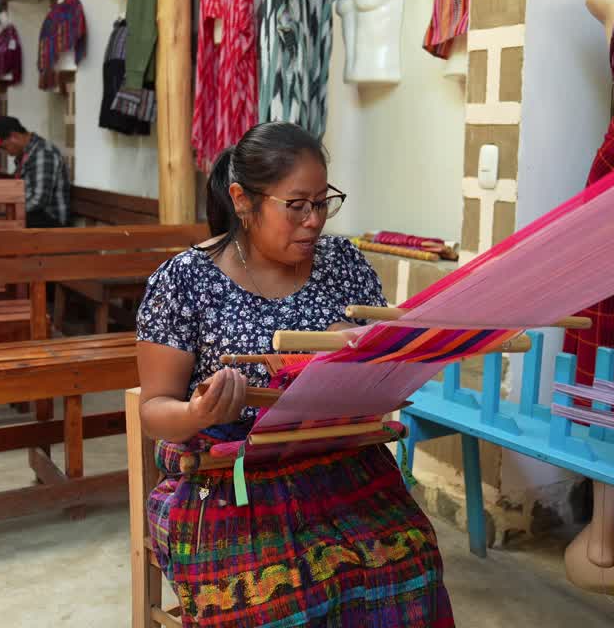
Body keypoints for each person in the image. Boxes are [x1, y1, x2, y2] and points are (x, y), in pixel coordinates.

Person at [135, 121, 454, 627]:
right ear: (243, 200)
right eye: (297, 205)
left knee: (411, 565)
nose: (313, 221)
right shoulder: (184, 281)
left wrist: (356, 357)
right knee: (277, 602)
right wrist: (198, 412)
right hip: (229, 476)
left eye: (323, 203)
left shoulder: (343, 264)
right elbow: (154, 409)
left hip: (338, 458)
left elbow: (380, 366)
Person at [0, 116, 70, 228]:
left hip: (51, 224)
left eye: (4, 147)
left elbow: (38, 200)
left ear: (14, 136)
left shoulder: (43, 153)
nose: (7, 153)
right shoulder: (26, 155)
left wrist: (6, 208)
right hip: (33, 218)